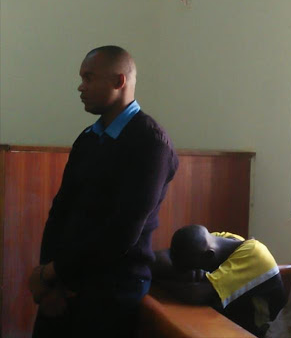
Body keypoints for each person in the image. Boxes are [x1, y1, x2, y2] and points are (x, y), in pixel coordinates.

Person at [29, 45, 179, 338]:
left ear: (118, 81)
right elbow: (60, 211)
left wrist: (51, 274)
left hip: (112, 289)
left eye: (88, 78)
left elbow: (121, 233)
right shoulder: (88, 139)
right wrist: (49, 277)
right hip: (63, 279)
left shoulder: (150, 142)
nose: (80, 87)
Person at [151, 225, 286, 337]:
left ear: (210, 255)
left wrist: (159, 281)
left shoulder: (254, 254)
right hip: (233, 324)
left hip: (262, 332)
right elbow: (157, 260)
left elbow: (196, 294)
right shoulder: (217, 241)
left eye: (192, 268)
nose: (191, 274)